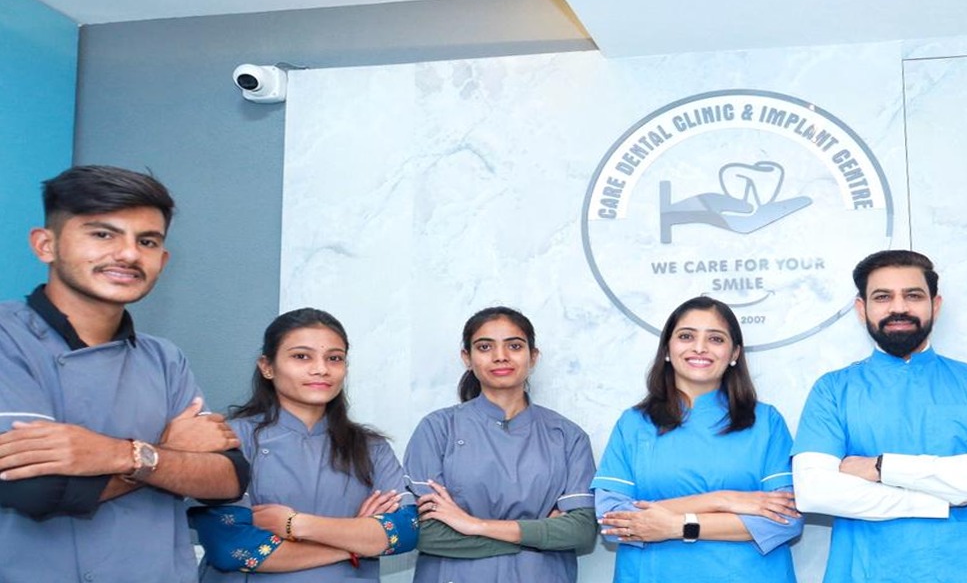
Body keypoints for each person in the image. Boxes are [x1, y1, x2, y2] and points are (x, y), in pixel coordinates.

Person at [0, 165, 249, 581]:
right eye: (103, 234)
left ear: (163, 259)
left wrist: (117, 454)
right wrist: (164, 452)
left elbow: (230, 478)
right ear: (46, 244)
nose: (129, 254)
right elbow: (36, 491)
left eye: (146, 241)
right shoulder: (9, 339)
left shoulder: (164, 359)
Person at [793, 249, 967, 583]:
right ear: (862, 310)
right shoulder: (833, 390)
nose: (899, 307)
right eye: (883, 297)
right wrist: (941, 499)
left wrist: (881, 467)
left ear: (935, 305)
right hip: (865, 571)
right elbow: (814, 490)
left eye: (913, 295)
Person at [191, 308, 418, 579]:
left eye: (334, 358)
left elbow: (406, 531)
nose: (321, 369)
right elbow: (233, 547)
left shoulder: (372, 448)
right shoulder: (229, 440)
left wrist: (295, 524)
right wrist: (357, 541)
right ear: (267, 366)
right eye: (301, 356)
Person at [592, 296, 803, 583]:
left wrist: (680, 525)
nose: (700, 347)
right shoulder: (634, 424)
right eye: (686, 336)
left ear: (734, 354)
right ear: (667, 348)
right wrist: (725, 499)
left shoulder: (765, 422)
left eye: (716, 339)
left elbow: (786, 519)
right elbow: (613, 518)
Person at [404, 306, 598, 582]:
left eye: (514, 346)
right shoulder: (438, 429)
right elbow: (423, 532)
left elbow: (581, 531)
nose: (500, 357)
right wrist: (539, 535)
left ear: (533, 356)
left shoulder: (567, 436)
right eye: (484, 347)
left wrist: (474, 525)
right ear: (466, 358)